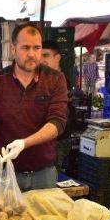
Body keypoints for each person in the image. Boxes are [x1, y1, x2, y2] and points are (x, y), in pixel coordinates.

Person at [0, 23, 68, 191]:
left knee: (44, 218)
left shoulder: (55, 79)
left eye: (37, 48)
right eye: (25, 48)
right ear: (14, 49)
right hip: (6, 173)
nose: (32, 54)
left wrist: (25, 143)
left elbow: (57, 123)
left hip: (43, 175)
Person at [41, 40, 71, 172]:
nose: (42, 60)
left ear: (57, 57)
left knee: (52, 175)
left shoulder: (62, 81)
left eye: (46, 55)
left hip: (58, 139)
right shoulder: (43, 78)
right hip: (44, 139)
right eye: (40, 56)